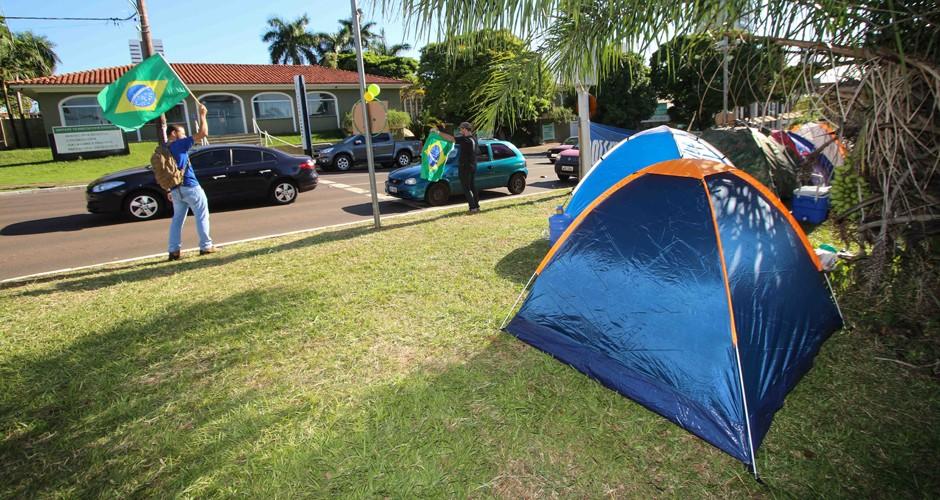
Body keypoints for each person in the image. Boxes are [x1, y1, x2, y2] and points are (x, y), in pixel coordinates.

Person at [165, 103, 215, 260]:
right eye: (182, 132)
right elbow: (203, 133)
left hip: (175, 188)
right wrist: (202, 115)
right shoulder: (179, 144)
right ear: (173, 133)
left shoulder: (164, 148)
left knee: (177, 220)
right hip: (190, 186)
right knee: (201, 215)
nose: (185, 135)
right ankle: (206, 246)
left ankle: (174, 250)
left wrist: (168, 189)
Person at [454, 121, 480, 213]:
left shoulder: (465, 140)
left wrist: (439, 134)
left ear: (465, 129)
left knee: (466, 188)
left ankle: (472, 208)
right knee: (472, 186)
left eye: (461, 129)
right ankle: (476, 206)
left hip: (465, 167)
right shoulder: (474, 139)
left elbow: (451, 139)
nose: (460, 130)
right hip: (473, 166)